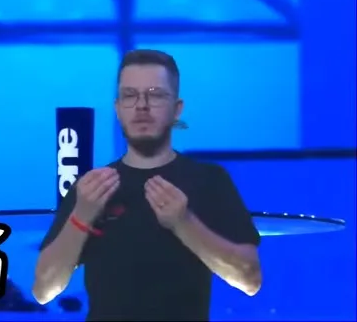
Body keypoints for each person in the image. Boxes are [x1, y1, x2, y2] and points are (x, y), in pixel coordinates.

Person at [32, 49, 263, 321]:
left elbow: (249, 279)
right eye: (130, 95)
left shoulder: (209, 180)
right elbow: (44, 289)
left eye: (155, 95)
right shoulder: (92, 188)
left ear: (177, 109)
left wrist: (184, 222)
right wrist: (81, 217)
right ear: (118, 109)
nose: (142, 106)